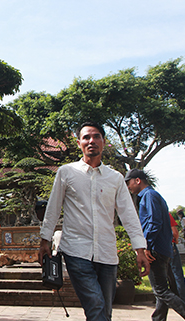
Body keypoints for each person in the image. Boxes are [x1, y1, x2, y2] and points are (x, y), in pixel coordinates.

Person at [39, 122, 149, 321]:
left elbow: (128, 214)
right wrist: (45, 240)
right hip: (76, 251)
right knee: (96, 305)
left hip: (107, 253)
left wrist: (139, 249)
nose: (92, 141)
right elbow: (53, 207)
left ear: (104, 142)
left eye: (96, 136)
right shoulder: (66, 172)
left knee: (104, 310)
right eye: (86, 137)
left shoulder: (114, 178)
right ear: (79, 143)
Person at [126, 169, 185, 321]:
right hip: (164, 249)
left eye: (128, 182)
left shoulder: (149, 196)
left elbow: (154, 222)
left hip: (156, 250)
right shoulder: (153, 196)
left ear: (137, 180)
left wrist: (146, 246)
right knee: (163, 291)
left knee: (161, 290)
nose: (128, 187)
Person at [169, 212, 185, 303]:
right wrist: (176, 241)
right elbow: (175, 232)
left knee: (164, 275)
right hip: (170, 245)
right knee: (177, 273)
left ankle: (168, 299)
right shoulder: (166, 214)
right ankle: (183, 299)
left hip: (157, 247)